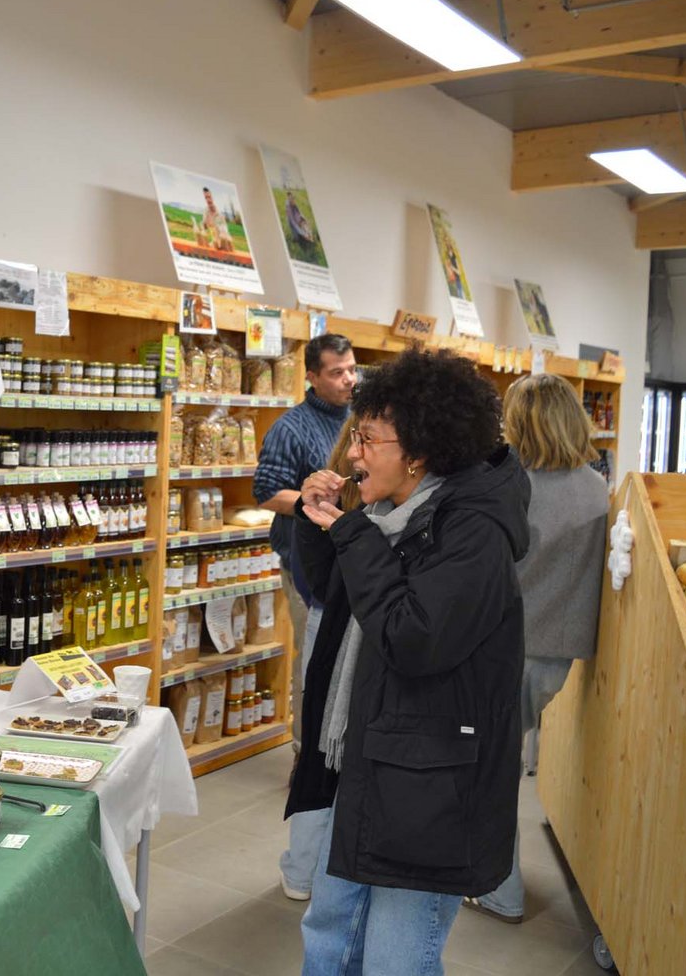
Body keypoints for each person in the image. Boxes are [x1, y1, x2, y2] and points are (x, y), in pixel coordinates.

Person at [289, 348, 530, 975]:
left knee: (396, 958)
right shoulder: (388, 513)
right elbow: (338, 597)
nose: (353, 454)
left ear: (419, 451)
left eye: (367, 439)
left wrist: (351, 534)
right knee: (330, 929)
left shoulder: (472, 531)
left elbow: (414, 638)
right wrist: (319, 525)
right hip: (373, 753)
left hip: (432, 779)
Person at [469, 373, 608, 924]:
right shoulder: (596, 486)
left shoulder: (513, 488)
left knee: (490, 769)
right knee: (503, 759)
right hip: (560, 651)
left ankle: (499, 888)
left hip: (508, 647)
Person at [254, 333, 357, 900]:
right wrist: (312, 504)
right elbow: (266, 491)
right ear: (313, 376)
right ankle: (305, 756)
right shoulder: (291, 428)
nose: (348, 379)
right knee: (312, 664)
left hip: (345, 561)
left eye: (352, 369)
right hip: (306, 564)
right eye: (337, 372)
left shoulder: (358, 419)